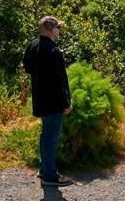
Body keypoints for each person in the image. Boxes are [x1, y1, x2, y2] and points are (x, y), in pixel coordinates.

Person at [23, 16, 73, 187]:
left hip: (40, 99)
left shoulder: (32, 45)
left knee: (46, 135)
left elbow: (27, 68)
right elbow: (61, 81)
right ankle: (50, 176)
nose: (59, 30)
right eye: (58, 27)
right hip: (54, 102)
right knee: (51, 137)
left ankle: (45, 169)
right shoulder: (54, 51)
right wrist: (66, 103)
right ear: (51, 29)